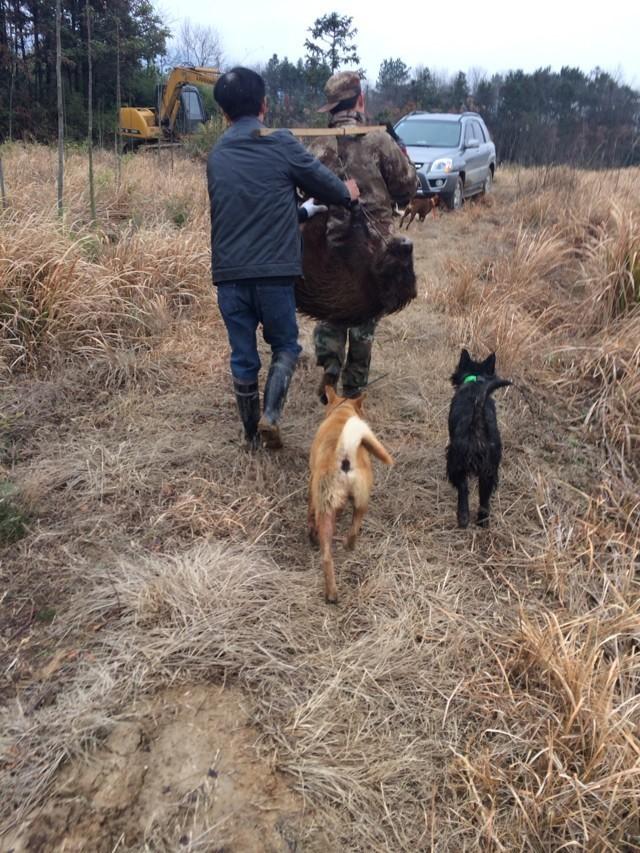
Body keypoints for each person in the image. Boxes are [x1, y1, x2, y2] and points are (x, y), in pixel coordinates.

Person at [207, 67, 359, 450]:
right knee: (286, 346)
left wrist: (304, 212)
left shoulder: (217, 154)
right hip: (274, 274)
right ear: (264, 105)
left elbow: (258, 209)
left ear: (224, 113)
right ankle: (271, 417)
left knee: (243, 358)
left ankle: (250, 437)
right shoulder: (280, 143)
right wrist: (347, 193)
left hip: (229, 277)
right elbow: (323, 183)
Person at [306, 71, 417, 401]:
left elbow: (301, 194)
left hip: (329, 245)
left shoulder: (315, 145)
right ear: (360, 100)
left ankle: (329, 363)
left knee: (332, 305)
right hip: (374, 248)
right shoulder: (379, 141)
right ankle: (354, 390)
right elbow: (406, 186)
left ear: (330, 109)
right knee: (366, 314)